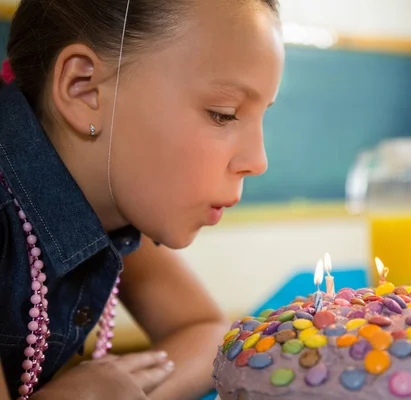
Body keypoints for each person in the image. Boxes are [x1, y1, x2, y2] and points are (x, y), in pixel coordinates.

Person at [0, 0, 284, 398]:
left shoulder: (112, 200)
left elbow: (206, 332)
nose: (258, 161)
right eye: (223, 113)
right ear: (83, 89)